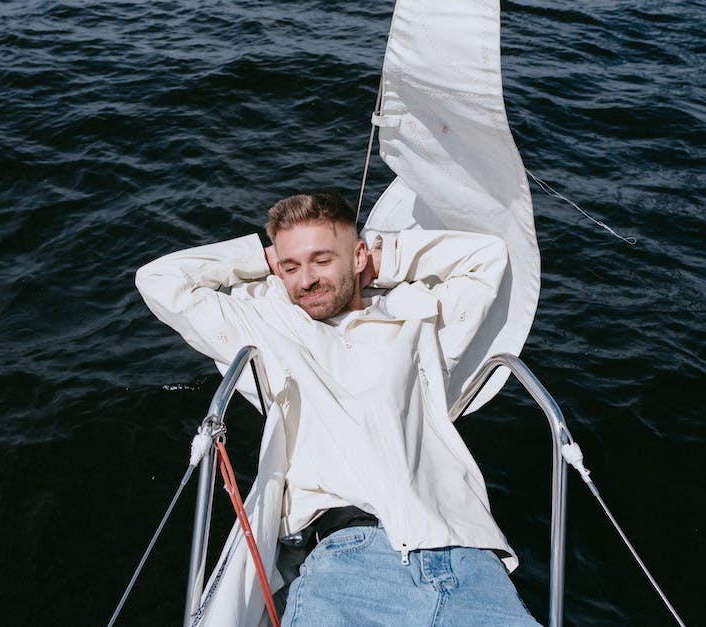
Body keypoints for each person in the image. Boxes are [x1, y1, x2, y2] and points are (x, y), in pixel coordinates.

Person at [136, 191, 540, 626]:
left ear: (359, 255)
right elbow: (158, 279)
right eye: (291, 267)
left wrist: (385, 262)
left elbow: (489, 256)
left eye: (322, 260)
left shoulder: (418, 322)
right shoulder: (266, 326)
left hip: (470, 561)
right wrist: (263, 255)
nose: (306, 279)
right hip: (351, 562)